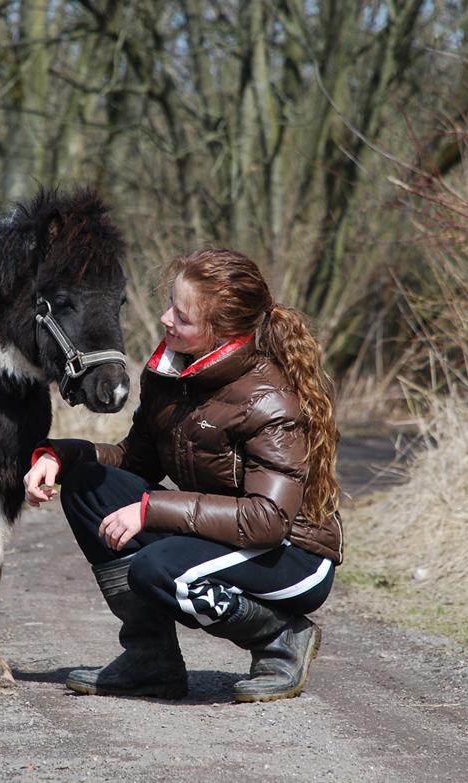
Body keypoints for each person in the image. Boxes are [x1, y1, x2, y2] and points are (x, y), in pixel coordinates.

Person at [23, 248, 343, 703]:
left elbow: (268, 519)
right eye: (170, 303)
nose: (164, 317)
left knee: (164, 570)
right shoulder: (171, 374)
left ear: (221, 331)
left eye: (182, 315)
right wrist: (59, 455)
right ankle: (150, 659)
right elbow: (135, 463)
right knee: (89, 485)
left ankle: (280, 637)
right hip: (230, 533)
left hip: (293, 554)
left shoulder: (269, 399)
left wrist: (151, 510)